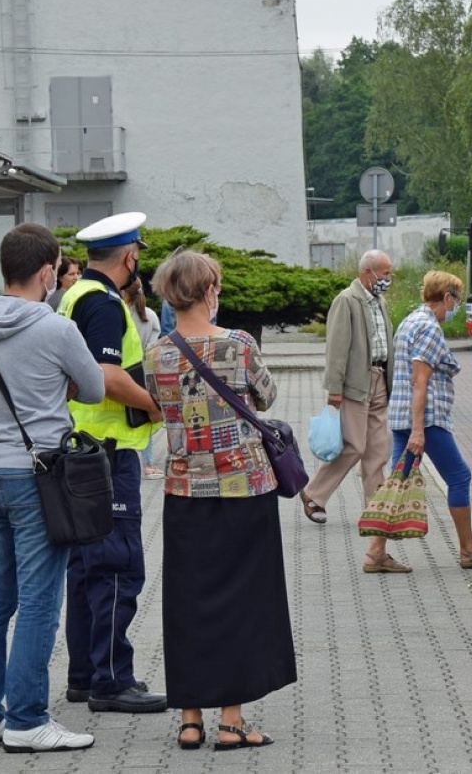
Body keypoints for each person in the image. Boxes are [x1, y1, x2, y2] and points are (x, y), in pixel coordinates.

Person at [0, 223, 107, 753]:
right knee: (40, 599)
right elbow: (91, 387)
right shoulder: (55, 328)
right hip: (38, 476)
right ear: (48, 272)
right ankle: (26, 719)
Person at [143, 249, 294, 751]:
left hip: (185, 490)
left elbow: (160, 407)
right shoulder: (240, 345)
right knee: (246, 602)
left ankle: (190, 719)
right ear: (209, 291)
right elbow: (267, 397)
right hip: (244, 490)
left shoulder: (157, 353)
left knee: (188, 602)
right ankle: (232, 721)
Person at [57, 212, 167, 714]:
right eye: (137, 255)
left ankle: (85, 675)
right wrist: (151, 403)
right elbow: (104, 375)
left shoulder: (73, 296)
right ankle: (111, 679)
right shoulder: (102, 303)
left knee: (84, 569)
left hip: (83, 446)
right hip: (108, 450)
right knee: (116, 566)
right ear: (129, 257)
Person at [388, 270, 472, 570]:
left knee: (397, 483)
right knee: (459, 476)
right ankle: (469, 550)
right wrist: (418, 430)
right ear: (447, 297)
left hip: (401, 414)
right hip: (426, 420)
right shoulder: (428, 328)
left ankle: (375, 552)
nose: (458, 306)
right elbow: (420, 381)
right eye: (458, 299)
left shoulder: (409, 321)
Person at [301, 249, 399, 571]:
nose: (388, 279)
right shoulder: (347, 300)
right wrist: (335, 390)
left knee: (377, 452)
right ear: (368, 272)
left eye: (390, 274)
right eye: (385, 274)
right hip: (355, 383)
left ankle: (375, 512)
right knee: (355, 445)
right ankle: (313, 493)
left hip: (379, 380)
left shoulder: (380, 302)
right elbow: (337, 347)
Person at [122, 277, 164, 477]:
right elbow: (152, 347)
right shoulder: (150, 316)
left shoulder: (120, 313)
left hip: (121, 370)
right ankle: (148, 464)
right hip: (144, 371)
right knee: (145, 418)